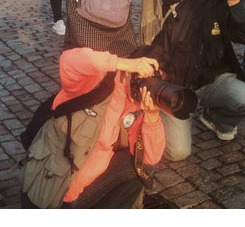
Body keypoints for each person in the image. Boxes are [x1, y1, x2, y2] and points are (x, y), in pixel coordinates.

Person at [20, 46, 165, 209]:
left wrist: (152, 117)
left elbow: (149, 161)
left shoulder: (136, 108)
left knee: (138, 170)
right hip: (54, 191)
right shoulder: (95, 82)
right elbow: (68, 61)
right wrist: (120, 63)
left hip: (83, 188)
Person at [151, 0, 245, 160]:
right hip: (177, 83)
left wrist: (234, 3)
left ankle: (215, 119)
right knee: (179, 153)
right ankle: (157, 113)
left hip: (211, 80)